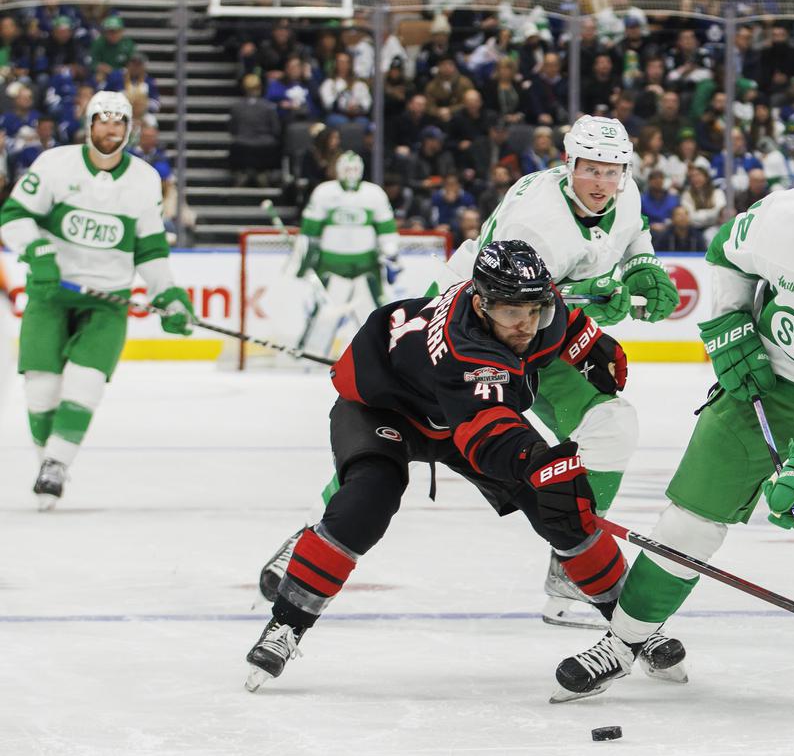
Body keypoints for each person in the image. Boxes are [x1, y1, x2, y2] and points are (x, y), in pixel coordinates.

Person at [552, 151, 794, 704]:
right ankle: (624, 641)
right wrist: (729, 321)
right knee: (688, 525)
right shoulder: (786, 218)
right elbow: (727, 255)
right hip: (763, 384)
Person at [256, 115, 680, 630]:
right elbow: (519, 302)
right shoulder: (537, 220)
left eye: (612, 171)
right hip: (474, 331)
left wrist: (645, 265)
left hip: (527, 326)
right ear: (568, 165)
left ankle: (573, 566)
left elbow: (632, 233)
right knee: (392, 439)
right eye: (591, 169)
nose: (602, 182)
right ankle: (316, 537)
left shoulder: (622, 190)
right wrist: (604, 302)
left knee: (611, 424)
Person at [243, 240, 686, 691]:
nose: (526, 325)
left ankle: (634, 629)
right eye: (513, 314)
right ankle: (286, 623)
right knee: (366, 503)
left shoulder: (533, 309)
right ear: (481, 303)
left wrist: (592, 346)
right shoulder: (468, 349)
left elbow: (563, 322)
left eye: (534, 310)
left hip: (460, 410)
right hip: (385, 408)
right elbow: (487, 436)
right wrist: (542, 465)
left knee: (565, 512)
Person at [0, 91, 193, 511]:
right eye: (104, 121)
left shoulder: (143, 179)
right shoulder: (54, 165)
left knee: (84, 384)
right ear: (89, 125)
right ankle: (49, 465)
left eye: (119, 122)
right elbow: (13, 216)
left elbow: (150, 249)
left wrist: (169, 295)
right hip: (51, 295)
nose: (111, 129)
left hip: (108, 302)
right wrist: (38, 252)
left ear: (129, 128)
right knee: (41, 391)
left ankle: (54, 464)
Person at [295, 151, 401, 358]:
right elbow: (310, 231)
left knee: (381, 307)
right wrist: (305, 258)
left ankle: (389, 351)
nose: (351, 173)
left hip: (367, 262)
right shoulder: (324, 192)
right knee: (320, 308)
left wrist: (390, 255)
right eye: (347, 168)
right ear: (338, 170)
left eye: (355, 168)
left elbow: (386, 229)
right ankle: (308, 350)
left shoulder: (374, 194)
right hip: (330, 262)